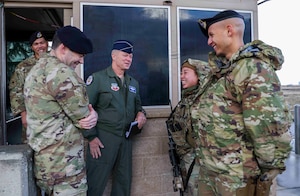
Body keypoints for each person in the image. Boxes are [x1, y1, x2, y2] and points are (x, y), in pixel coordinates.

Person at [192, 10, 293, 196]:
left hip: (237, 178)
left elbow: (268, 127)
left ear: (229, 30)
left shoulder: (252, 68)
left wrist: (266, 174)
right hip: (212, 172)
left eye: (211, 35)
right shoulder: (221, 72)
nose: (209, 41)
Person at [24, 25, 100, 196]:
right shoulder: (62, 74)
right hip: (66, 168)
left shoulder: (38, 68)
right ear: (63, 49)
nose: (81, 61)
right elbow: (85, 119)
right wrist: (94, 115)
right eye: (79, 55)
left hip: (47, 166)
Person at [83, 40, 147, 196]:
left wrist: (141, 114)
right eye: (125, 55)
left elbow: (138, 106)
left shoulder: (133, 83)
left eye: (131, 56)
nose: (128, 59)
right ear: (113, 56)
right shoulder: (98, 79)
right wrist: (91, 138)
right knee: (95, 183)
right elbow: (85, 110)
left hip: (125, 139)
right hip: (103, 138)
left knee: (123, 184)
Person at [167, 58, 210, 195]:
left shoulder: (205, 102)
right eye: (181, 73)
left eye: (185, 72)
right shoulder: (185, 101)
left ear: (199, 75)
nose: (181, 77)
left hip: (199, 167)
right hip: (186, 164)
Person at [9, 31, 48, 144]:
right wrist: (23, 114)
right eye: (36, 44)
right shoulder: (23, 66)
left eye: (42, 42)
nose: (40, 46)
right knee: (31, 148)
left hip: (53, 115)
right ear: (31, 47)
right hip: (32, 115)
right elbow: (16, 91)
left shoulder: (56, 62)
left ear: (47, 44)